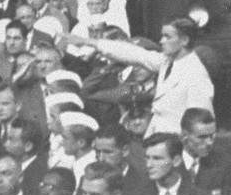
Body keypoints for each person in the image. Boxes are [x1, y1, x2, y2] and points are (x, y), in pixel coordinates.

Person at [69, 17, 214, 136]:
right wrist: (88, 42)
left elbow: (203, 124)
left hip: (176, 142)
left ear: (184, 40)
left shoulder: (196, 75)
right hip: (158, 136)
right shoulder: (168, 61)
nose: (161, 41)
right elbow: (134, 53)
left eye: (167, 36)